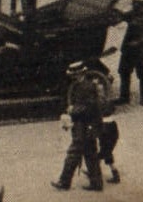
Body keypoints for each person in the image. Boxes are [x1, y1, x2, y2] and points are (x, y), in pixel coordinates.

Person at [53, 61, 106, 191]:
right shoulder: (82, 85)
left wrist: (72, 111)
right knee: (90, 154)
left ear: (80, 74)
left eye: (74, 74)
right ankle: (96, 183)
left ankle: (64, 182)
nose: (72, 77)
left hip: (84, 125)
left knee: (73, 153)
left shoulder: (85, 87)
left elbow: (88, 107)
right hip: (88, 125)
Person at [115, 0, 143, 106]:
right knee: (124, 72)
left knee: (141, 74)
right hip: (128, 49)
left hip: (140, 51)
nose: (133, 5)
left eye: (135, 3)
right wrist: (115, 13)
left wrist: (137, 43)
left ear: (142, 5)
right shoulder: (133, 13)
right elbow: (123, 16)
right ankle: (124, 97)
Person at [97, 115, 121, 184]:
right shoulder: (108, 105)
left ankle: (115, 175)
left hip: (104, 127)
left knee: (106, 152)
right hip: (112, 126)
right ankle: (94, 170)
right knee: (104, 151)